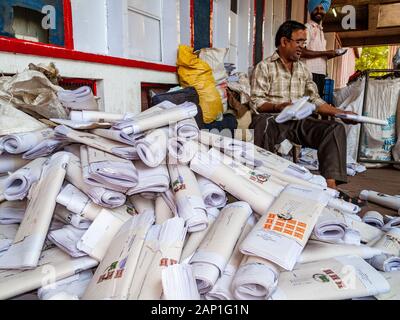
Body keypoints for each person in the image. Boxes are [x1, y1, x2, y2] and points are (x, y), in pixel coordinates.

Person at [249, 20, 357, 191]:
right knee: (261, 123)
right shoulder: (264, 67)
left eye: (304, 43)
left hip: (298, 121)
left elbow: (315, 100)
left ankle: (331, 187)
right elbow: (257, 102)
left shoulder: (304, 70)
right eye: (298, 42)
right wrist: (280, 107)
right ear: (284, 42)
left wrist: (340, 112)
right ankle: (263, 180)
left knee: (334, 129)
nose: (302, 47)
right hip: (274, 119)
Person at [301, 0, 347, 97]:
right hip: (309, 73)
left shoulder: (320, 31)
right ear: (311, 10)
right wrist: (326, 53)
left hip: (320, 73)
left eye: (322, 8)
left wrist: (333, 54)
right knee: (308, 105)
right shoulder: (307, 28)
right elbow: (301, 52)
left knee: (316, 105)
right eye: (316, 8)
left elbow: (320, 55)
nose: (319, 11)